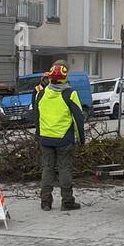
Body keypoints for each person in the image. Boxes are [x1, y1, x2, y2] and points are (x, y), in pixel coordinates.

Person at [33, 61, 86, 211]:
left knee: (47, 169)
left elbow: (36, 117)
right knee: (65, 169)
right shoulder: (70, 94)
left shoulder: (41, 94)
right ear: (64, 77)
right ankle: (67, 201)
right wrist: (82, 139)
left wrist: (38, 135)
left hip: (45, 138)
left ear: (50, 78)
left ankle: (45, 202)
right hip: (64, 139)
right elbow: (78, 119)